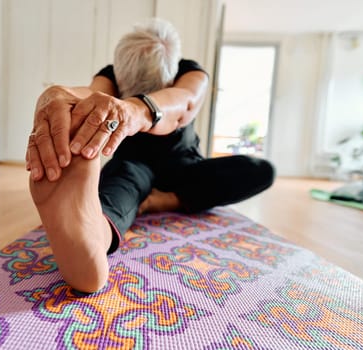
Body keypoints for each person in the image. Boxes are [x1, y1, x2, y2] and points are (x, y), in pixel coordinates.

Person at [26, 18, 275, 293]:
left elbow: (185, 101)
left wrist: (135, 111)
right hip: (133, 166)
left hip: (185, 167)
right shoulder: (110, 74)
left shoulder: (189, 72)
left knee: (259, 170)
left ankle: (158, 201)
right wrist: (62, 95)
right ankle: (92, 236)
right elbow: (94, 94)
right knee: (111, 198)